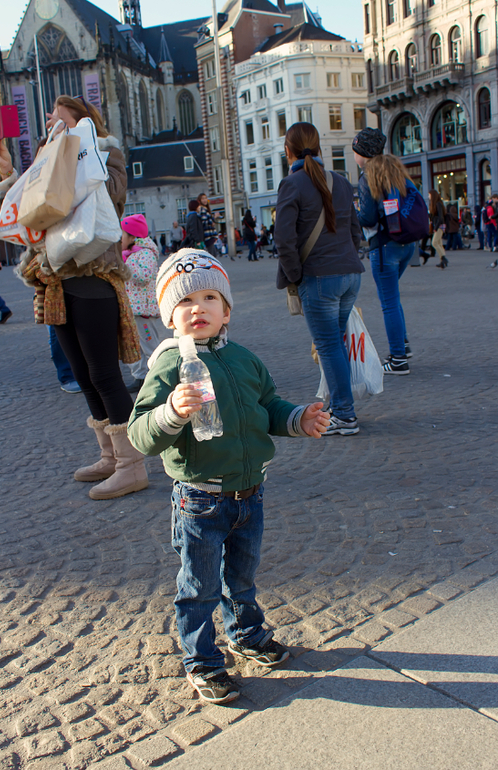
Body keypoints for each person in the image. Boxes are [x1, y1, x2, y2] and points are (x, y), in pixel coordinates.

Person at [128, 249, 329, 704]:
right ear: (168, 317)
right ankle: (202, 660)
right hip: (199, 499)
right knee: (198, 586)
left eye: (209, 297)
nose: (198, 308)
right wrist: (172, 412)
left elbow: (268, 407)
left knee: (242, 576)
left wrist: (299, 418)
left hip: (250, 493)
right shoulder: (167, 366)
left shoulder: (245, 359)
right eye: (184, 302)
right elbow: (140, 435)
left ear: (227, 311)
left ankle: (246, 634)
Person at [0, 94, 148, 500]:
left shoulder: (105, 153)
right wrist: (8, 172)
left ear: (83, 120)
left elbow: (107, 195)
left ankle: (133, 465)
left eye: (58, 117)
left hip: (93, 276)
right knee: (81, 373)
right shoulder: (52, 155)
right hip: (54, 280)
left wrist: (76, 144)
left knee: (104, 373)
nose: (49, 122)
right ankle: (111, 455)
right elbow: (30, 206)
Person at [275, 121, 363, 434]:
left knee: (328, 346)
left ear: (288, 151)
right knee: (334, 344)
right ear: (320, 147)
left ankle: (344, 414)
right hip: (350, 274)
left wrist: (296, 276)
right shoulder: (341, 181)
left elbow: (283, 239)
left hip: (320, 277)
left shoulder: (292, 184)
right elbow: (355, 231)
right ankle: (341, 406)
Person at [354, 127, 415, 375]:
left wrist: (353, 214)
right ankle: (404, 344)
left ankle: (398, 358)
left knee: (389, 303)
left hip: (384, 246)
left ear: (363, 152)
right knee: (394, 298)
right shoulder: (394, 169)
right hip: (406, 244)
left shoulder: (368, 176)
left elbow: (368, 218)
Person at [121, 214, 160, 393]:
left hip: (143, 310)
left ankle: (158, 375)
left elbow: (144, 276)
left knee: (149, 344)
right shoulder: (126, 255)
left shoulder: (145, 254)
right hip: (130, 309)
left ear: (132, 237)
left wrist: (125, 267)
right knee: (132, 345)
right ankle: (140, 375)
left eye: (121, 235)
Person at [428, 190, 448, 269]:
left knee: (434, 243)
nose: (428, 196)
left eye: (429, 195)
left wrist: (435, 228)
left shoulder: (438, 204)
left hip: (439, 226)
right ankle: (442, 261)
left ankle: (443, 258)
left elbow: (440, 217)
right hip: (438, 225)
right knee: (439, 243)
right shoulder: (435, 204)